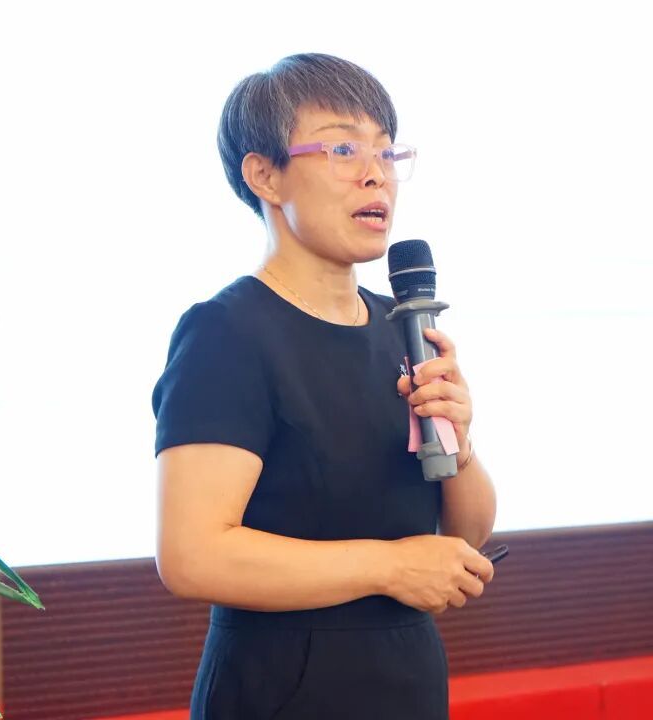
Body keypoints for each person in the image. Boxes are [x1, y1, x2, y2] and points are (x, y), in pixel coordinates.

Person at [151, 53, 497, 720]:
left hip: (407, 679)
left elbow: (466, 534)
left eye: (386, 151)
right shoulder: (228, 333)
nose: (376, 173)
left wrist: (462, 443)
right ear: (265, 175)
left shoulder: (403, 329)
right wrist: (390, 567)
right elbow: (193, 556)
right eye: (342, 148)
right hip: (284, 685)